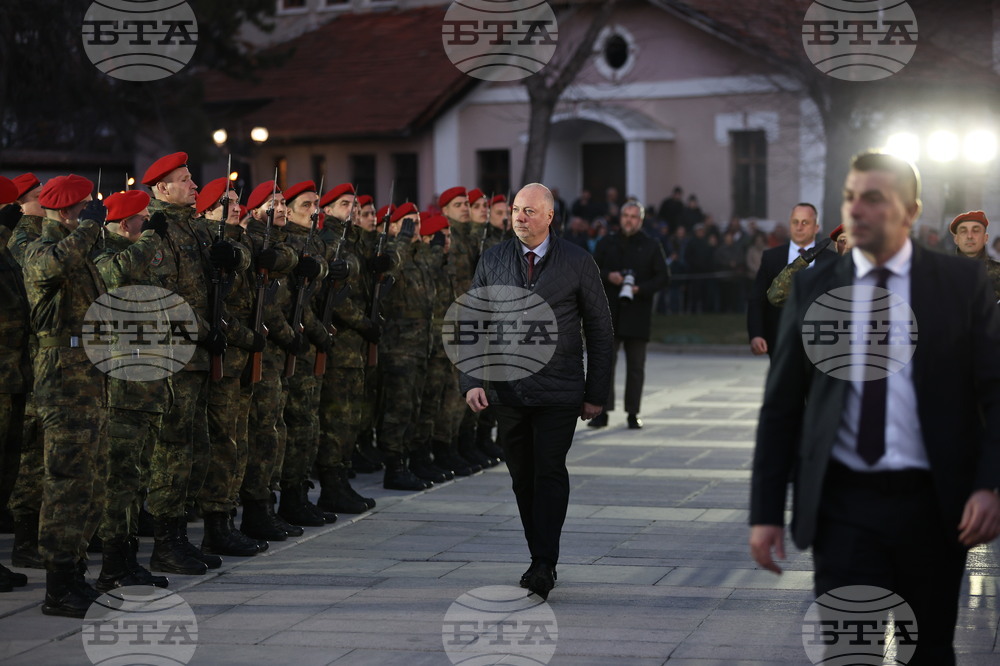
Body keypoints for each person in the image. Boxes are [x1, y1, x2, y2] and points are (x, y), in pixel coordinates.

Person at [750, 151, 1000, 665]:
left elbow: (994, 393)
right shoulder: (815, 285)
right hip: (842, 506)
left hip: (933, 506)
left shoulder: (959, 286)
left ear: (911, 211)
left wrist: (988, 484)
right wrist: (766, 511)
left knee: (928, 650)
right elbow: (781, 405)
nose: (858, 209)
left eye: (875, 199)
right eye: (851, 197)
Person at [462, 183, 613, 600]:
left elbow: (600, 329)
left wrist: (596, 392)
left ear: (549, 216)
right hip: (508, 390)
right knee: (521, 478)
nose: (519, 217)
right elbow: (472, 322)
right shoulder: (493, 259)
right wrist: (472, 380)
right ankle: (538, 554)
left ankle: (544, 562)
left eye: (529, 211)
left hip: (559, 390)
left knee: (549, 473)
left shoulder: (578, 262)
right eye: (514, 210)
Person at [590, 201, 669, 429]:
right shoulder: (607, 243)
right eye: (625, 215)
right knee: (605, 364)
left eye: (634, 216)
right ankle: (601, 412)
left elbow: (663, 277)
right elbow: (592, 269)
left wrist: (640, 289)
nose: (629, 220)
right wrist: (609, 276)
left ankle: (633, 413)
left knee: (636, 367)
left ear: (641, 220)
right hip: (609, 312)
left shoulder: (651, 245)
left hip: (638, 313)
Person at [746, 203, 833, 356]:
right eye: (795, 222)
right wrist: (756, 334)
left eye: (805, 222)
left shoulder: (832, 261)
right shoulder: (771, 258)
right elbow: (757, 299)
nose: (799, 227)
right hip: (780, 340)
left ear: (816, 227)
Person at [949, 210, 1000, 302]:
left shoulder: (998, 272)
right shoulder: (941, 274)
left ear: (986, 238)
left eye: (975, 231)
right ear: (956, 239)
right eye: (963, 231)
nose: (969, 236)